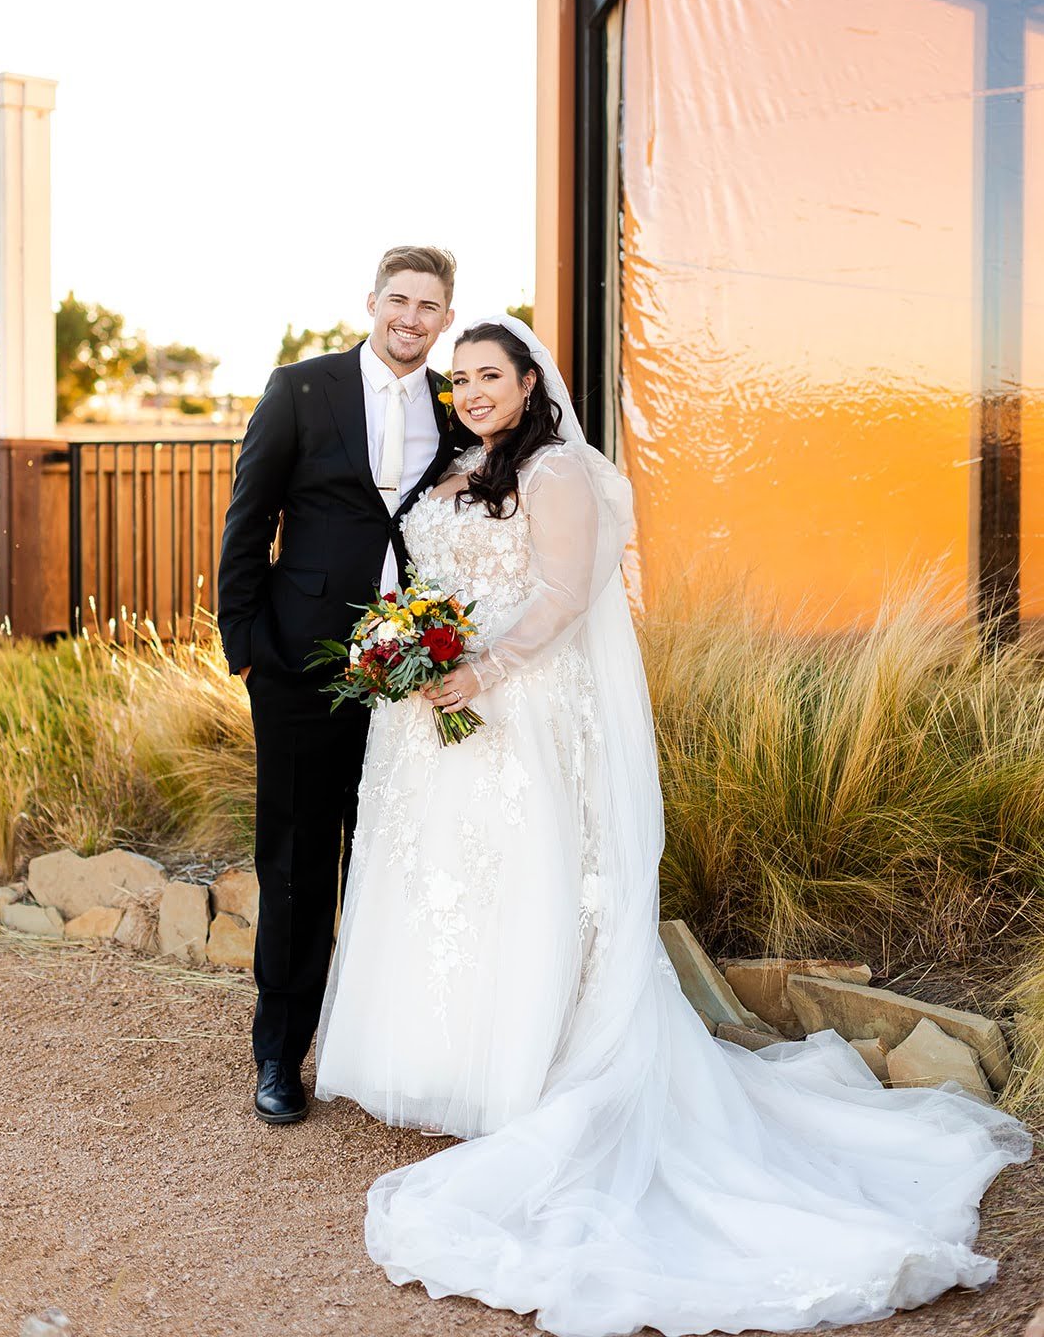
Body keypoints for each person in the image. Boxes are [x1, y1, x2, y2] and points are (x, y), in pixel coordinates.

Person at [313, 314, 1031, 1337]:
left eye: (488, 374)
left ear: (527, 382)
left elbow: (563, 596)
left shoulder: (555, 470)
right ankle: (445, 1065)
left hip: (514, 707)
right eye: (458, 377)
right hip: (438, 718)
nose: (470, 390)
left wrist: (472, 670)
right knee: (445, 884)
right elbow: (433, 583)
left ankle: (522, 1067)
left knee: (519, 879)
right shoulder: (459, 465)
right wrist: (406, 649)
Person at [217, 246, 470, 1125]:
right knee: (295, 862)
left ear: (445, 317)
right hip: (298, 666)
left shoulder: (457, 403)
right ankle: (280, 1057)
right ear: (372, 302)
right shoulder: (302, 388)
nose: (410, 318)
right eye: (397, 300)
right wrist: (244, 641)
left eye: (428, 306)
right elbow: (249, 516)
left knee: (394, 859)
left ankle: (380, 1050)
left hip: (414, 671)